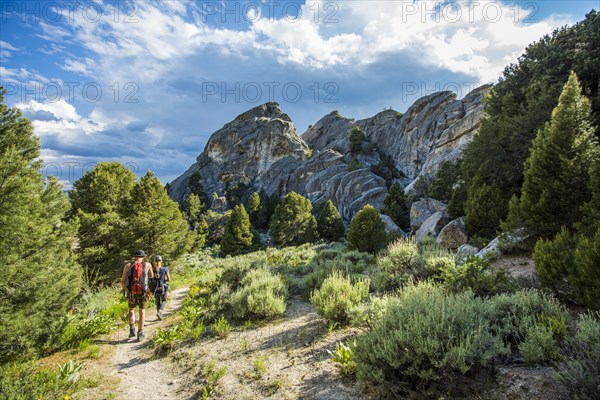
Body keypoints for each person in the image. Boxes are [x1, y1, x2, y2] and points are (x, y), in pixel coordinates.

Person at [121, 250, 154, 341]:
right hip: (143, 292)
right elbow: (151, 277)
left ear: (135, 257)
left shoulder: (128, 266)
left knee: (131, 310)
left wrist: (124, 290)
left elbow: (123, 280)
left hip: (131, 293)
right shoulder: (147, 265)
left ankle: (132, 330)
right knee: (142, 311)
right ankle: (140, 333)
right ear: (143, 257)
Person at [152, 255, 171, 320]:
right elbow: (169, 279)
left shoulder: (153, 269)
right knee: (164, 300)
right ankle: (160, 311)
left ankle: (158, 315)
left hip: (155, 288)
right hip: (163, 287)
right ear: (161, 261)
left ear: (155, 261)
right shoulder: (165, 269)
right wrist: (164, 280)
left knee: (157, 302)